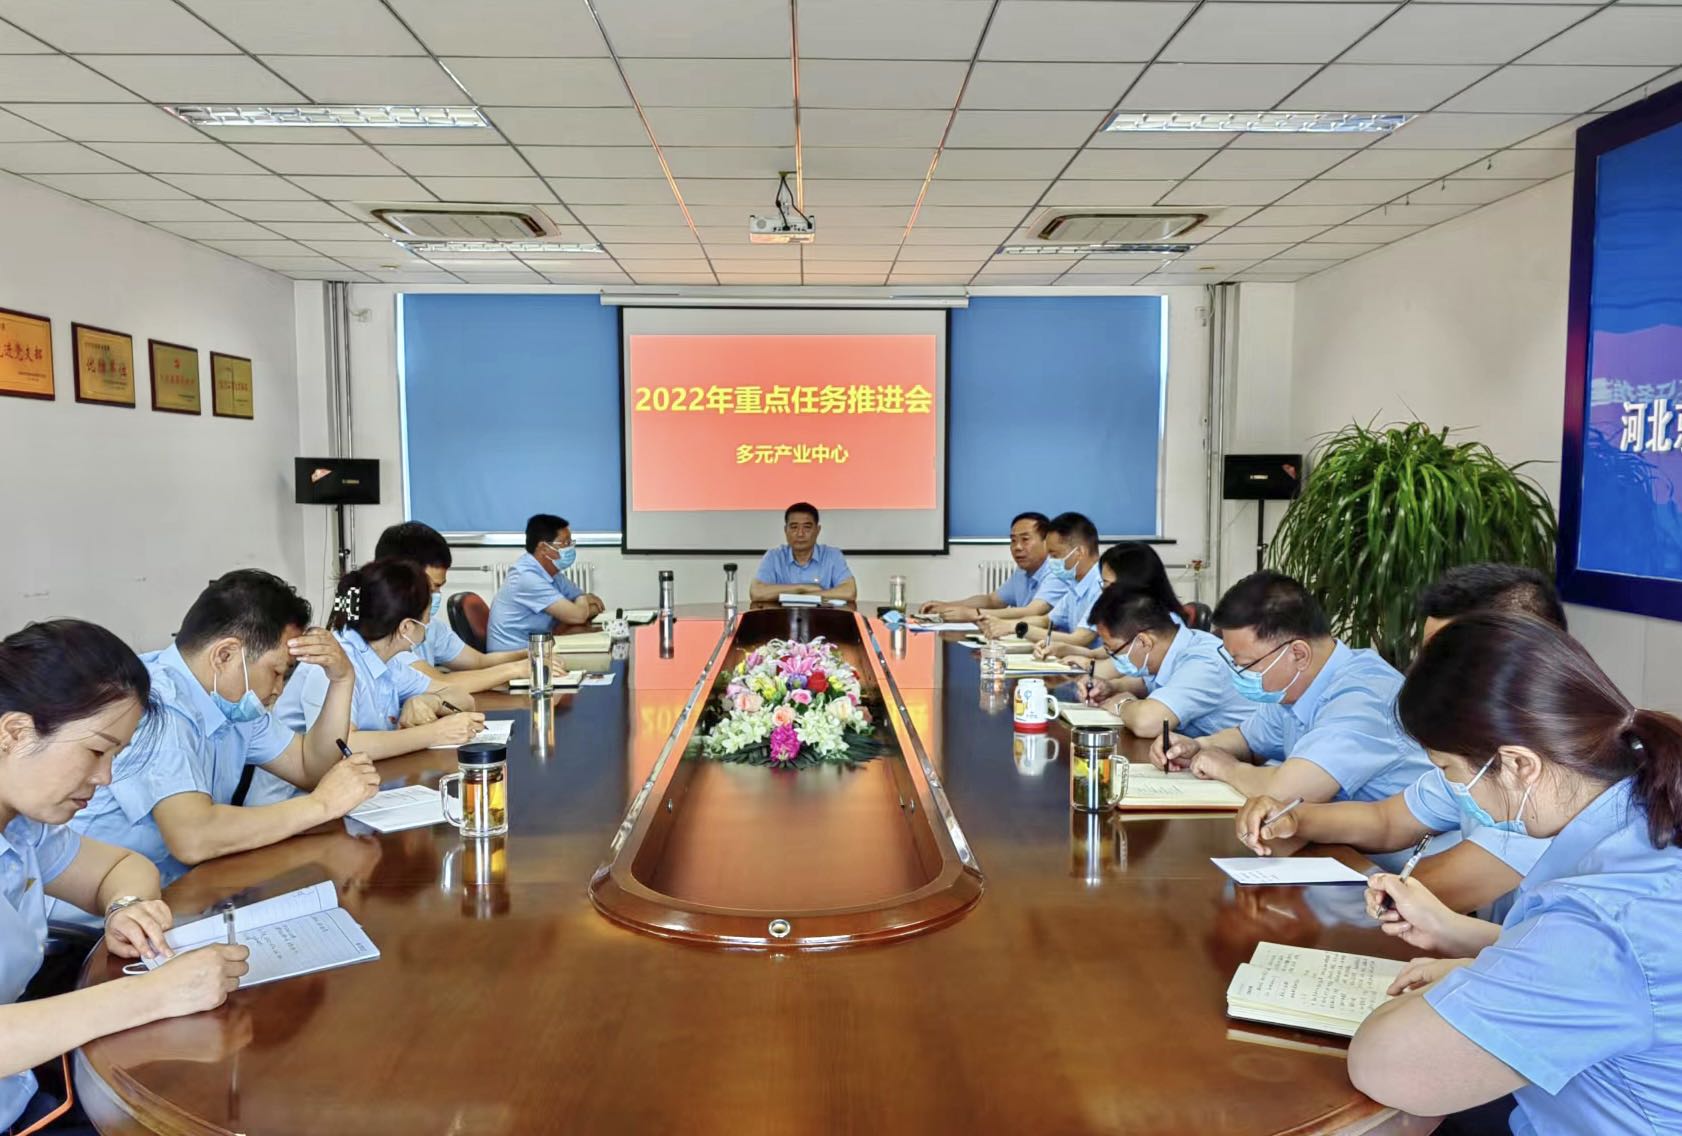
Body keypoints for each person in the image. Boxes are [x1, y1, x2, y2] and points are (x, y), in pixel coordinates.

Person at [1347, 612, 1682, 1136]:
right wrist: (1460, 937)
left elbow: (1388, 1065)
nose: (1454, 791)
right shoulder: (1644, 815)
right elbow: (1620, 977)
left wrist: (1464, 983)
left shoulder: (1607, 916)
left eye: (1449, 771)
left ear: (1519, 765)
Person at [1, 620, 251, 1135]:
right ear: (15, 733)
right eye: (96, 751)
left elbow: (122, 868)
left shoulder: (24, 827)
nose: (105, 777)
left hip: (22, 1092)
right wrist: (156, 994)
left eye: (116, 755)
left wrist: (125, 907)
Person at [1236, 563, 1567, 915]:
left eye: (1443, 659)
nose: (1421, 674)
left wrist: (1359, 897)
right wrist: (1295, 819)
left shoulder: (1553, 768)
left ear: (1522, 657)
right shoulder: (1478, 745)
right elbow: (1387, 821)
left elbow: (1442, 888)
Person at [64, 571, 380, 895]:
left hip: (178, 890)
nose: (278, 690)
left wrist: (342, 679)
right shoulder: (158, 702)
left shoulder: (234, 703)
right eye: (276, 672)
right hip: (106, 910)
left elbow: (309, 767)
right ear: (224, 655)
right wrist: (321, 805)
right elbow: (193, 837)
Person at [1153, 570, 1432, 806]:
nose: (1238, 674)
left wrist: (1226, 768)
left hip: (1404, 853)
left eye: (1246, 664)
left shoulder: (1363, 697)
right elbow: (1249, 740)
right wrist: (1196, 747)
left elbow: (1287, 792)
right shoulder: (1295, 688)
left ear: (1298, 654)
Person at [244, 560, 486, 807]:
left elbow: (462, 697)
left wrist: (427, 700)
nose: (430, 624)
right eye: (427, 618)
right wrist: (433, 734)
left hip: (350, 795)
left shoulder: (387, 660)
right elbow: (344, 745)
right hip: (289, 806)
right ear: (406, 627)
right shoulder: (331, 663)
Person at [1073, 586, 1252, 740]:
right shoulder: (1176, 646)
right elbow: (1146, 683)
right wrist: (1111, 687)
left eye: (1113, 650)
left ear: (1143, 642)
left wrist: (1122, 704)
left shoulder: (1204, 662)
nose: (1113, 656)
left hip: (1241, 760)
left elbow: (1147, 722)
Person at [373, 522, 532, 694]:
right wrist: (515, 669)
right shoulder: (382, 635)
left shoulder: (430, 626)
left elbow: (479, 662)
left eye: (438, 588)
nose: (435, 596)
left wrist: (531, 654)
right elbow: (437, 683)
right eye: (431, 588)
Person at [1027, 541, 1181, 659]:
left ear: (1132, 582)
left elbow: (1116, 671)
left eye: (1107, 584)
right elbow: (1103, 654)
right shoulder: (1132, 617)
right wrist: (1064, 649)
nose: (1103, 591)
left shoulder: (1161, 624)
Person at [487, 514, 606, 652]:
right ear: (544, 548)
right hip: (512, 656)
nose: (570, 548)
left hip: (537, 647)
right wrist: (583, 600)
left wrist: (580, 602)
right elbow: (578, 615)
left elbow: (595, 606)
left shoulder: (553, 573)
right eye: (565, 543)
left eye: (571, 542)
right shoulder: (526, 577)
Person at [921, 512, 1066, 623]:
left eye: (1025, 539)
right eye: (1013, 540)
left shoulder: (1057, 572)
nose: (1017, 547)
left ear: (1047, 542)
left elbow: (1033, 611)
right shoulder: (1022, 572)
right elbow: (992, 601)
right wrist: (947, 606)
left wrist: (973, 614)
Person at [992, 512, 1101, 646]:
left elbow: (1080, 639)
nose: (1051, 561)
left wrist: (1018, 628)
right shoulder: (1075, 583)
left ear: (1079, 552)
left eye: (1055, 556)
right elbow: (1048, 620)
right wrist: (1004, 624)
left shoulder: (1103, 585)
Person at [748, 502, 857, 604]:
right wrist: (802, 588)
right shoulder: (774, 556)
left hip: (823, 617)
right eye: (794, 527)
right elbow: (756, 592)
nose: (800, 534)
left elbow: (849, 591)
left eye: (807, 527)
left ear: (818, 530)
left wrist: (803, 596)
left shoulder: (832, 555)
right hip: (782, 617)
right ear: (785, 530)